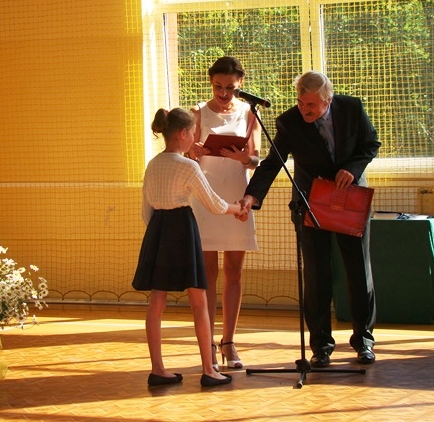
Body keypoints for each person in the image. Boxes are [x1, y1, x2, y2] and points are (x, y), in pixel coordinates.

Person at [240, 71, 381, 366]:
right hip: (311, 202)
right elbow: (273, 162)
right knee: (316, 276)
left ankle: (364, 341)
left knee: (358, 270)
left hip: (350, 198)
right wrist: (252, 195)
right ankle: (321, 346)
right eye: (301, 103)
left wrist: (353, 169)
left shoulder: (352, 108)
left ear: (327, 101)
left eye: (311, 105)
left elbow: (370, 144)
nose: (304, 109)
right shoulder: (289, 122)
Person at [132, 107, 248, 387]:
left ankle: (158, 369)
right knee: (198, 300)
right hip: (182, 229)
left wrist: (159, 234)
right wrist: (238, 209)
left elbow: (146, 211)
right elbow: (214, 204)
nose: (196, 138)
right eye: (194, 132)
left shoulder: (153, 164)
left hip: (158, 230)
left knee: (157, 299)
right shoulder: (188, 166)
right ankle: (209, 370)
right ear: (183, 134)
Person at [187, 56, 260, 370]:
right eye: (218, 86)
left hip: (236, 197)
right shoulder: (197, 113)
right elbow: (185, 155)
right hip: (204, 198)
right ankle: (208, 346)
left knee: (234, 272)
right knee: (207, 275)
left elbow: (256, 159)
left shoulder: (249, 112)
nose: (223, 92)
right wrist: (194, 151)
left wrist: (244, 158)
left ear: (240, 83)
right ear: (211, 82)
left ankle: (229, 342)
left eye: (230, 87)